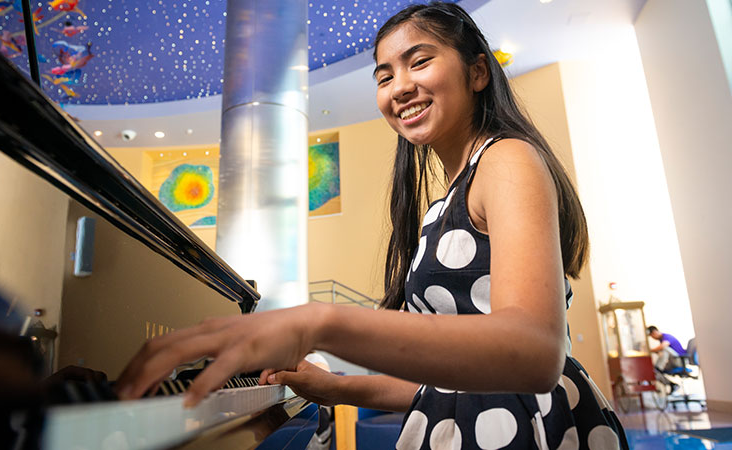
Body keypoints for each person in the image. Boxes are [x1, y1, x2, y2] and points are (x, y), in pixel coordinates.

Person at [116, 3, 628, 448]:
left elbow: (536, 354)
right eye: (384, 76)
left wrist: (317, 321)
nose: (400, 86)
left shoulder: (506, 159)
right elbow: (451, 384)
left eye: (419, 61)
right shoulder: (443, 201)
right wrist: (337, 387)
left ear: (477, 73)